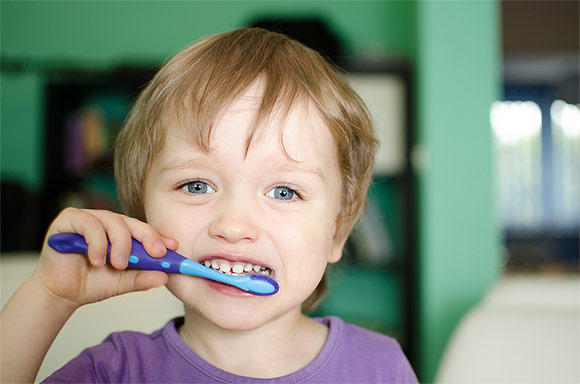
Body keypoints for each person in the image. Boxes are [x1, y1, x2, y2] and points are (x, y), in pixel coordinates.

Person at [1, 28, 418, 383]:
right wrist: (49, 296)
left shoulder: (380, 369)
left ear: (337, 231)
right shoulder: (116, 371)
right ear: (142, 217)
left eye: (284, 192)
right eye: (197, 185)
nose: (234, 225)